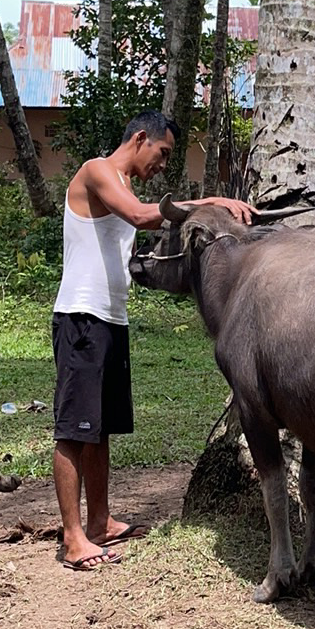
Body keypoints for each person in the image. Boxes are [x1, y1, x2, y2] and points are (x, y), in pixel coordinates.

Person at [53, 110, 253, 569]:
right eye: (162, 152)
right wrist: (214, 202)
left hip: (110, 319)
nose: (163, 163)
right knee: (72, 429)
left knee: (98, 428)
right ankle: (73, 537)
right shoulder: (96, 171)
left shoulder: (122, 185)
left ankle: (100, 522)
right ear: (140, 138)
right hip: (81, 316)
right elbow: (145, 216)